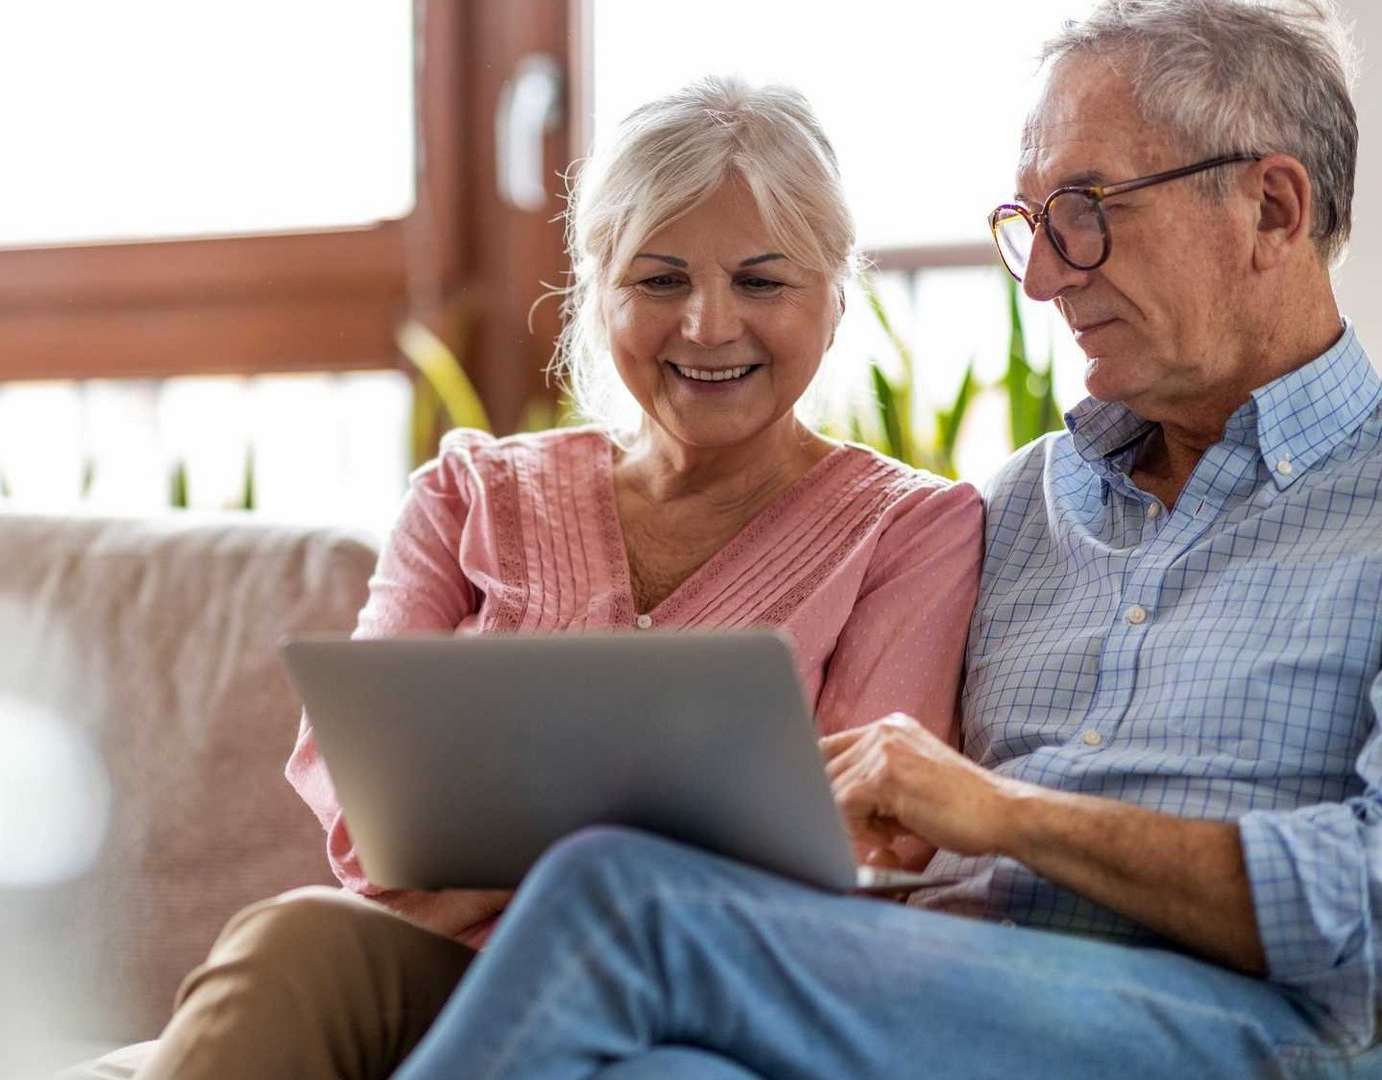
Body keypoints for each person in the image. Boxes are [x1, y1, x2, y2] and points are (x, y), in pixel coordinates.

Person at [388, 1, 1382, 1077]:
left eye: (1085, 212)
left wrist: (1006, 816)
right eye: (1033, 226)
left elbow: (1367, 902)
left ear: (1272, 207)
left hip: (1240, 1023)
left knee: (622, 899)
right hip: (935, 992)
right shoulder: (1021, 505)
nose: (1044, 278)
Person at [97, 76, 984, 1080]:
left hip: (692, 1002)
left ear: (833, 293)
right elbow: (372, 812)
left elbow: (863, 844)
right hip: (439, 970)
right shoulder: (469, 491)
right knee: (299, 938)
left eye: (761, 281)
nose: (705, 324)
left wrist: (507, 859)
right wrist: (644, 830)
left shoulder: (912, 528)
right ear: (596, 289)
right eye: (658, 281)